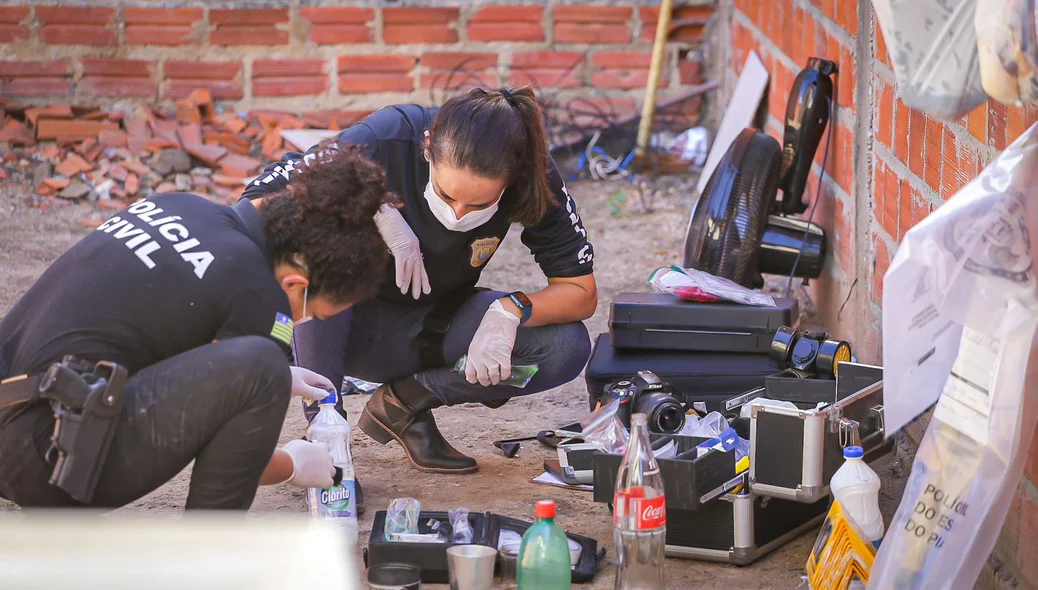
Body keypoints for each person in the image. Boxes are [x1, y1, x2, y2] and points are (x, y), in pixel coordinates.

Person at [0, 144, 392, 510]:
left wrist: (272, 373)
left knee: (264, 369)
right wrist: (291, 464)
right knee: (262, 367)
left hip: (15, 410)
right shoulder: (261, 298)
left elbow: (156, 333)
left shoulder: (179, 205)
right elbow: (240, 457)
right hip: (43, 462)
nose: (303, 323)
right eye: (316, 314)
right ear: (296, 285)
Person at [242, 86, 597, 475]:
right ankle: (327, 438)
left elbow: (580, 292)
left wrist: (509, 311)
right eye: (446, 193)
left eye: (479, 205)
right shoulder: (387, 136)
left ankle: (404, 403)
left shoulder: (534, 172)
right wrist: (369, 203)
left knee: (564, 347)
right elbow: (252, 207)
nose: (458, 213)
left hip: (428, 326)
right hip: (335, 323)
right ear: (427, 147)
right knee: (314, 253)